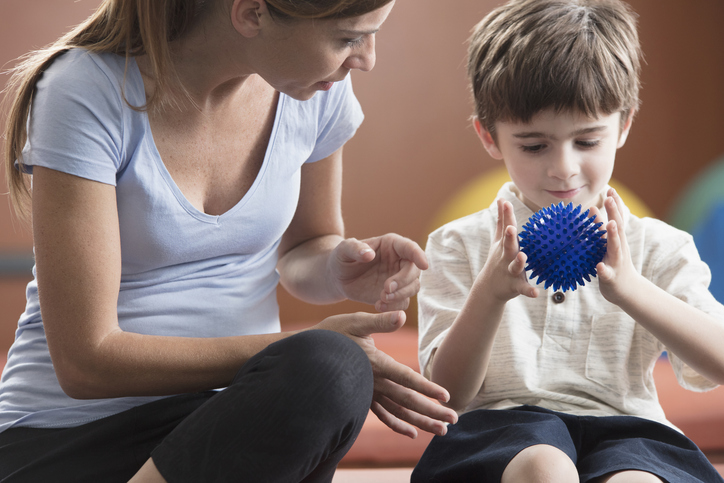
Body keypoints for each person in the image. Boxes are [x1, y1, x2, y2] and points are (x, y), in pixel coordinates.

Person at [0, 0, 458, 481]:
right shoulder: (85, 89)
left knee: (331, 370)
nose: (366, 59)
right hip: (74, 439)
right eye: (347, 38)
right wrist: (298, 348)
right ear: (252, 13)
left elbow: (310, 244)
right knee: (332, 363)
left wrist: (335, 268)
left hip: (229, 425)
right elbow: (85, 362)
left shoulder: (314, 93)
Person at [412, 0, 724, 482]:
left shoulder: (660, 246)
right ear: (489, 136)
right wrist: (490, 293)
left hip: (629, 431)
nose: (563, 168)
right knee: (545, 466)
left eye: (587, 141)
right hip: (500, 432)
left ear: (623, 125)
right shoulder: (458, 244)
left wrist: (633, 290)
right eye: (534, 145)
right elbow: (445, 397)